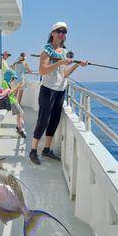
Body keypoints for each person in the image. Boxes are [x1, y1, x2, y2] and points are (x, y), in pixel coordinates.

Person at [29, 22, 88, 165]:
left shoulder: (65, 51)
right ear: (53, 33)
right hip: (48, 89)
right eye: (59, 31)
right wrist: (61, 62)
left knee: (55, 119)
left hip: (61, 90)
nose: (62, 33)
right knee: (43, 120)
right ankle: (33, 150)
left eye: (64, 31)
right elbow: (43, 71)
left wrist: (76, 65)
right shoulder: (47, 50)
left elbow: (64, 74)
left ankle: (47, 150)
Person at [1, 69, 26, 138]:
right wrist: (17, 87)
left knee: (20, 113)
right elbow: (8, 93)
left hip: (13, 100)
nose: (12, 80)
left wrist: (17, 88)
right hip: (11, 101)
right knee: (20, 113)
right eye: (12, 78)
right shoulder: (4, 83)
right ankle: (19, 129)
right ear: (9, 76)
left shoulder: (6, 83)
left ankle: (19, 127)